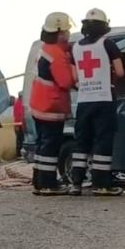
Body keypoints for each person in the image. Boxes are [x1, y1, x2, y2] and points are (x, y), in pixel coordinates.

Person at [69, 8, 125, 196]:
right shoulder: (108, 44)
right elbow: (120, 72)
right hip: (104, 99)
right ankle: (101, 184)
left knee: (81, 142)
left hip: (84, 101)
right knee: (103, 140)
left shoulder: (75, 47)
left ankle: (76, 183)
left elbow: (74, 77)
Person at [29, 12, 76, 195]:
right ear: (59, 32)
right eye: (66, 30)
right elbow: (65, 82)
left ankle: (39, 181)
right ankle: (48, 184)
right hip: (51, 106)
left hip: (39, 105)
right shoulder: (56, 54)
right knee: (50, 146)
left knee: (42, 145)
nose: (68, 33)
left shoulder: (45, 49)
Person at [13, 92, 25, 158]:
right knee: (20, 139)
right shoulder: (18, 103)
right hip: (19, 124)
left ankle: (20, 154)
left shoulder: (18, 103)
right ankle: (19, 154)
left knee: (20, 139)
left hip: (19, 124)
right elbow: (18, 115)